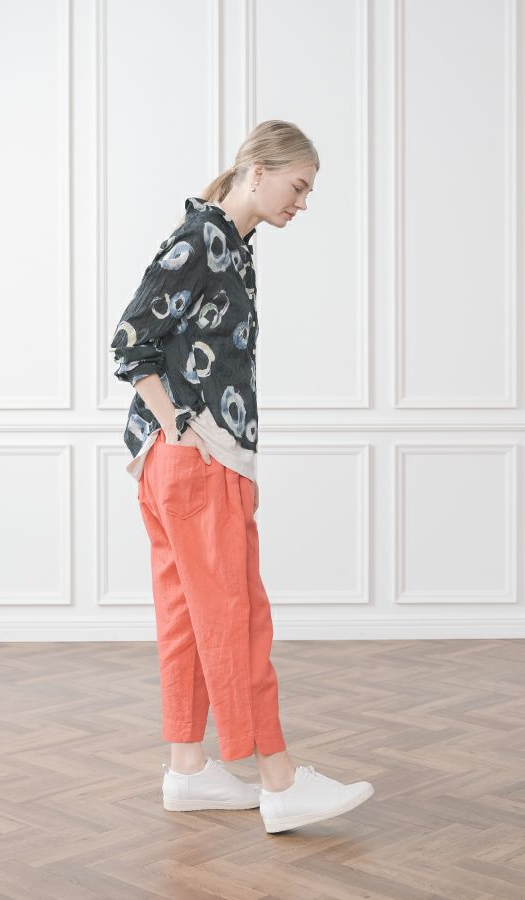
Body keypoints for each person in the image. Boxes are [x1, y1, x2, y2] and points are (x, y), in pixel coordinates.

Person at [109, 119, 374, 833]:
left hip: (175, 465)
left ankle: (188, 768)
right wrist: (178, 426)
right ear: (259, 171)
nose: (303, 202)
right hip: (197, 462)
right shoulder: (204, 240)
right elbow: (131, 340)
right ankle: (280, 781)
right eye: (299, 186)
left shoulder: (230, 244)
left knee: (189, 618)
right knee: (238, 619)